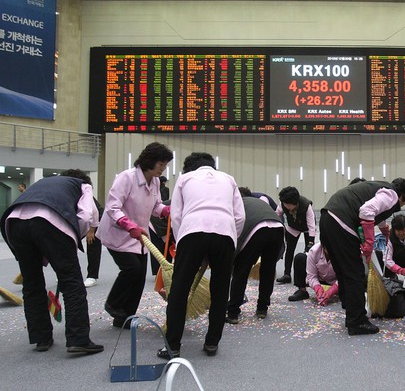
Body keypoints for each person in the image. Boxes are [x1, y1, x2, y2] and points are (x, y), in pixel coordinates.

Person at [0, 169, 104, 354]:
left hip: (14, 223)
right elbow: (87, 216)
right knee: (72, 282)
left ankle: (41, 338)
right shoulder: (82, 185)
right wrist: (72, 239)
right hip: (49, 220)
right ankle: (78, 338)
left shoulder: (45, 182)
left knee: (32, 284)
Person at [159, 152, 245, 359]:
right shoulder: (229, 179)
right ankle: (212, 342)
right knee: (220, 290)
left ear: (189, 168)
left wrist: (184, 245)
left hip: (192, 230)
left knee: (179, 290)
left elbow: (176, 215)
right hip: (225, 232)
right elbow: (240, 216)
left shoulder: (185, 178)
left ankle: (173, 346)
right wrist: (230, 238)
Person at [319, 177, 405, 335]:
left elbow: (378, 212)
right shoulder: (391, 194)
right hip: (342, 221)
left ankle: (350, 307)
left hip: (327, 218)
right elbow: (367, 211)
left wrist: (385, 230)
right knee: (354, 273)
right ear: (403, 196)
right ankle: (357, 321)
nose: (402, 205)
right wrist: (369, 244)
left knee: (342, 271)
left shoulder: (377, 187)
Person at [96, 142, 173, 329]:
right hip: (118, 233)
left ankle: (125, 316)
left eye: (165, 165)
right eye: (161, 164)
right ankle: (113, 304)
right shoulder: (126, 178)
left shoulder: (154, 181)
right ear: (150, 161)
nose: (164, 169)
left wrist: (169, 211)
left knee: (139, 277)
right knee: (131, 269)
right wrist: (129, 225)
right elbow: (112, 207)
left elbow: (155, 207)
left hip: (140, 237)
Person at [226, 196, 283, 324]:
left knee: (241, 271)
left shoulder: (237, 204)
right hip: (278, 229)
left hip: (257, 230)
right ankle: (262, 308)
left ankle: (233, 312)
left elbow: (235, 228)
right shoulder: (255, 202)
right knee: (268, 271)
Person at [275, 186, 317, 284]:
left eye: (288, 205)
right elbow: (277, 215)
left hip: (307, 228)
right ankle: (287, 274)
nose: (286, 207)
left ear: (295, 202)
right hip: (293, 227)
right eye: (285, 204)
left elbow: (311, 225)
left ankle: (308, 276)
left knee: (309, 253)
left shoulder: (306, 206)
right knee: (289, 250)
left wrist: (310, 242)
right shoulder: (283, 204)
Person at [84, 197, 104, 287]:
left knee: (92, 242)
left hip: (95, 216)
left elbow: (94, 211)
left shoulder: (83, 189)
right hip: (78, 217)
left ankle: (92, 276)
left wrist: (91, 230)